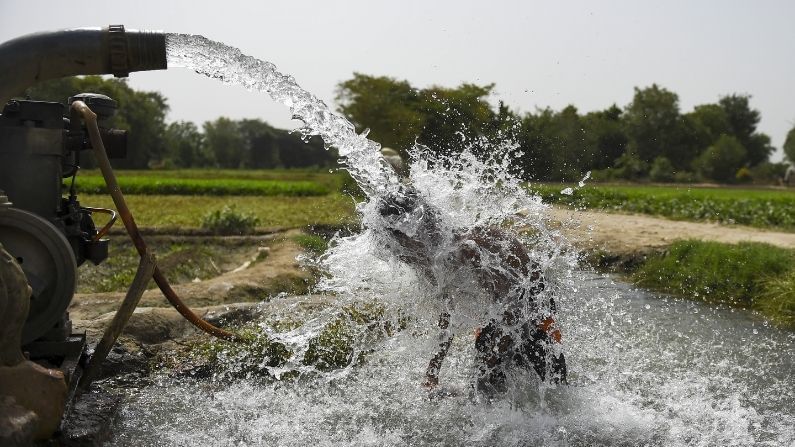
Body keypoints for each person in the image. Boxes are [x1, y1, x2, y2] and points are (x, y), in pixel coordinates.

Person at [376, 186, 567, 394]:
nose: (401, 257)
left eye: (400, 245)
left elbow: (513, 312)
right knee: (485, 389)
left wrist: (484, 369)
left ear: (416, 232)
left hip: (531, 303)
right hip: (500, 310)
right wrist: (433, 371)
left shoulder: (467, 249)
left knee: (549, 388)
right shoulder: (432, 257)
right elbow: (447, 312)